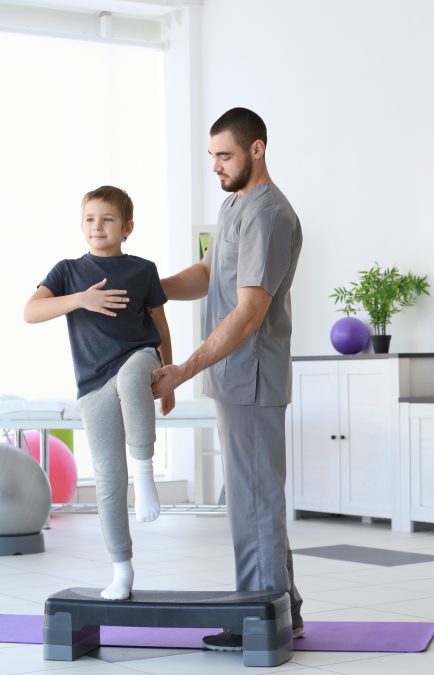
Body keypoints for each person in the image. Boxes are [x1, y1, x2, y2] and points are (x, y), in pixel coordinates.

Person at [152, 107, 303, 650]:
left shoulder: (268, 215)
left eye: (225, 155)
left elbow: (249, 312)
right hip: (233, 379)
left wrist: (182, 371)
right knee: (253, 497)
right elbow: (209, 274)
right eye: (212, 156)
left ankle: (259, 624)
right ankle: (286, 611)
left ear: (256, 149)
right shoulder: (233, 203)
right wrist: (151, 286)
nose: (215, 165)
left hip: (252, 378)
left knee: (254, 503)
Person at [24, 185, 174, 601]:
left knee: (131, 378)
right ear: (81, 224)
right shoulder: (67, 271)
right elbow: (31, 312)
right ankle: (122, 570)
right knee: (108, 476)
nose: (97, 226)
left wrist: (170, 376)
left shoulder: (143, 269)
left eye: (107, 219)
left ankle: (145, 474)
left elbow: (160, 327)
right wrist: (81, 300)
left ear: (127, 227)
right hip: (93, 381)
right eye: (90, 218)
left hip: (140, 357)